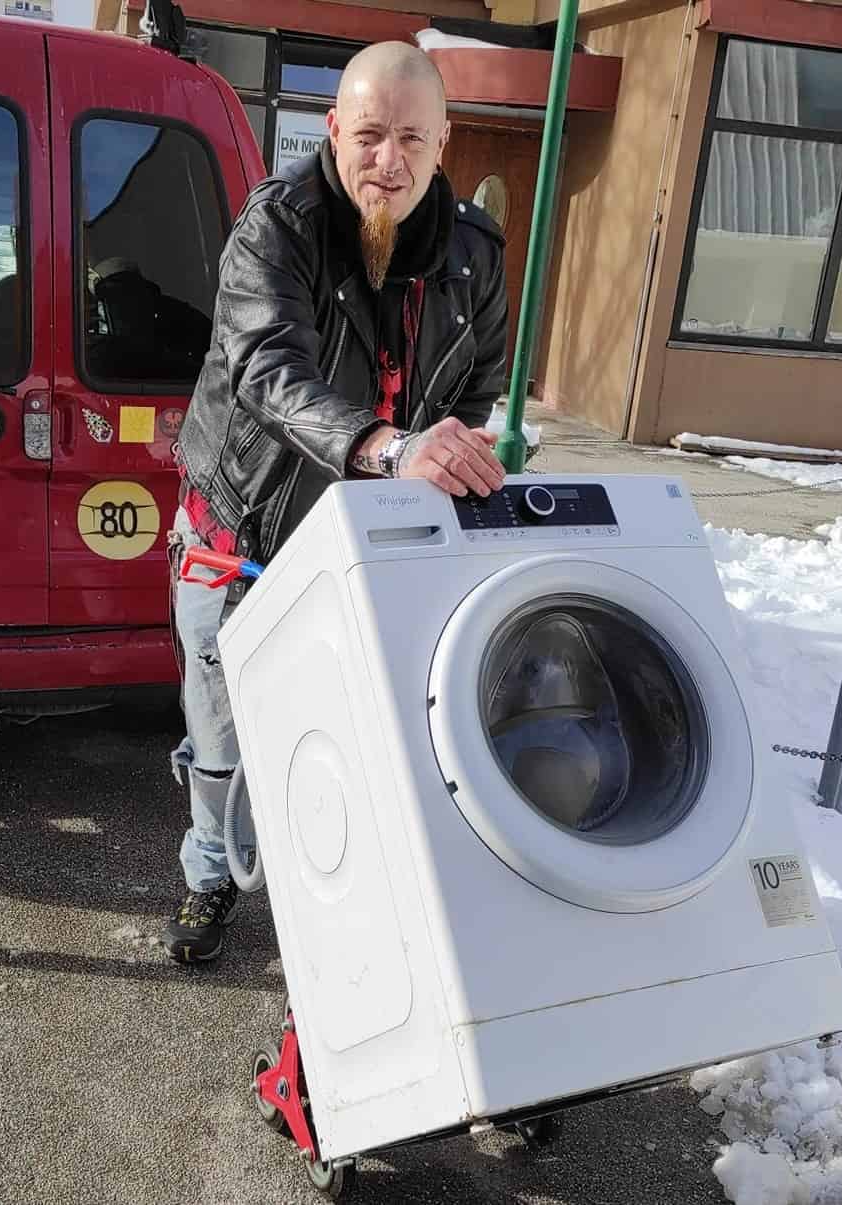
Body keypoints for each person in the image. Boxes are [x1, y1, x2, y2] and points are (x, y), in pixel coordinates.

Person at [162, 40, 510, 962]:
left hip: (371, 534)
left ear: (444, 141)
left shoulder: (476, 255)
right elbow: (270, 374)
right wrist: (393, 447)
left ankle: (333, 917)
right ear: (332, 131)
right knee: (225, 733)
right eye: (367, 135)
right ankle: (209, 871)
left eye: (409, 139)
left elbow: (477, 388)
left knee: (360, 738)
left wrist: (457, 454)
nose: (386, 162)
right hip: (246, 530)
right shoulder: (277, 228)